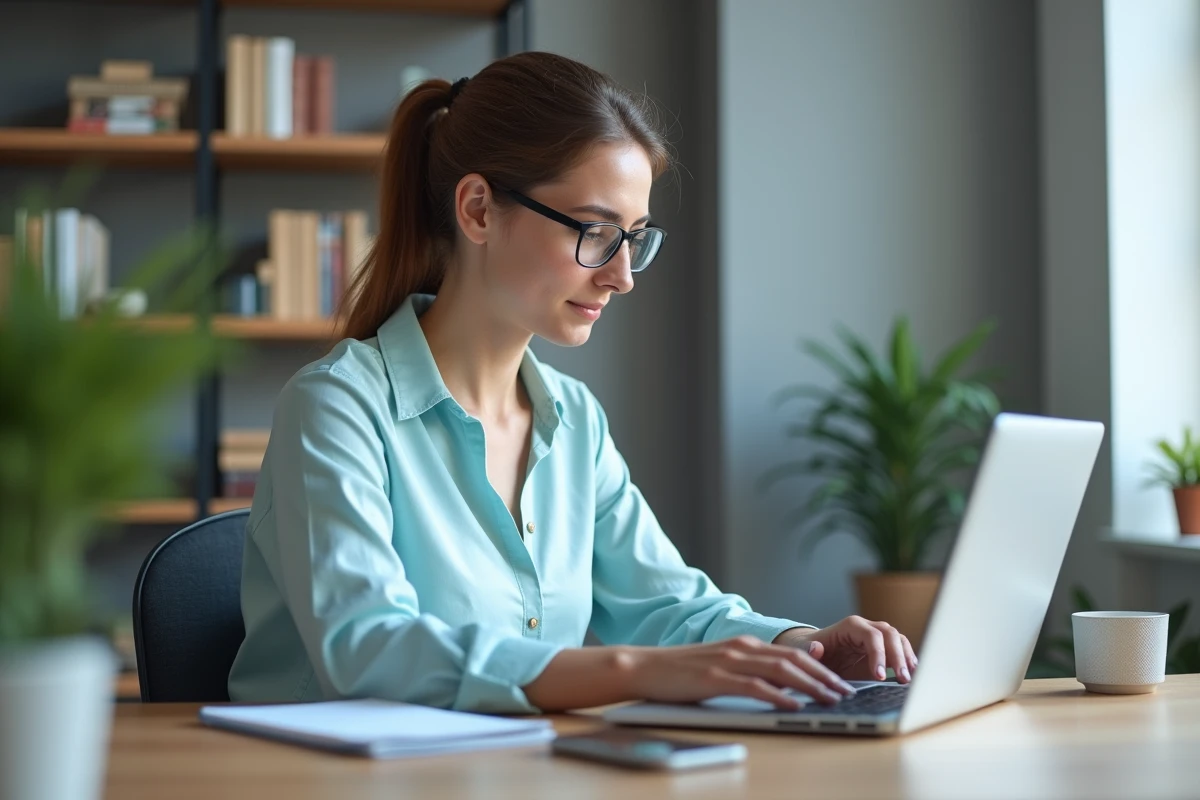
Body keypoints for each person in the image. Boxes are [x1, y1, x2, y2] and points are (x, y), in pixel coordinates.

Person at [227, 51, 917, 713]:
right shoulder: (339, 407)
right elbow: (366, 648)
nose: (621, 276)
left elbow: (666, 606)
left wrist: (799, 645)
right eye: (595, 232)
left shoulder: (573, 420)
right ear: (477, 210)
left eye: (636, 238)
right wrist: (629, 671)